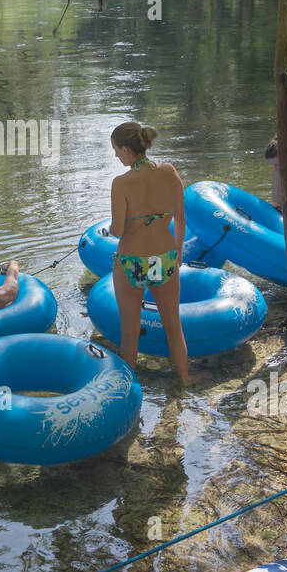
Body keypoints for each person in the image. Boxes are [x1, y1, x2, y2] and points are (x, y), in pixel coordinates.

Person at [108, 121, 189, 386]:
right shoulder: (169, 171)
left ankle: (129, 393)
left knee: (130, 332)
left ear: (126, 149)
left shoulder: (121, 183)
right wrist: (177, 251)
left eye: (116, 150)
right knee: (173, 326)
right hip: (163, 259)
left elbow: (119, 230)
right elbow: (180, 217)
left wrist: (112, 227)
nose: (116, 155)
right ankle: (185, 380)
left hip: (132, 262)